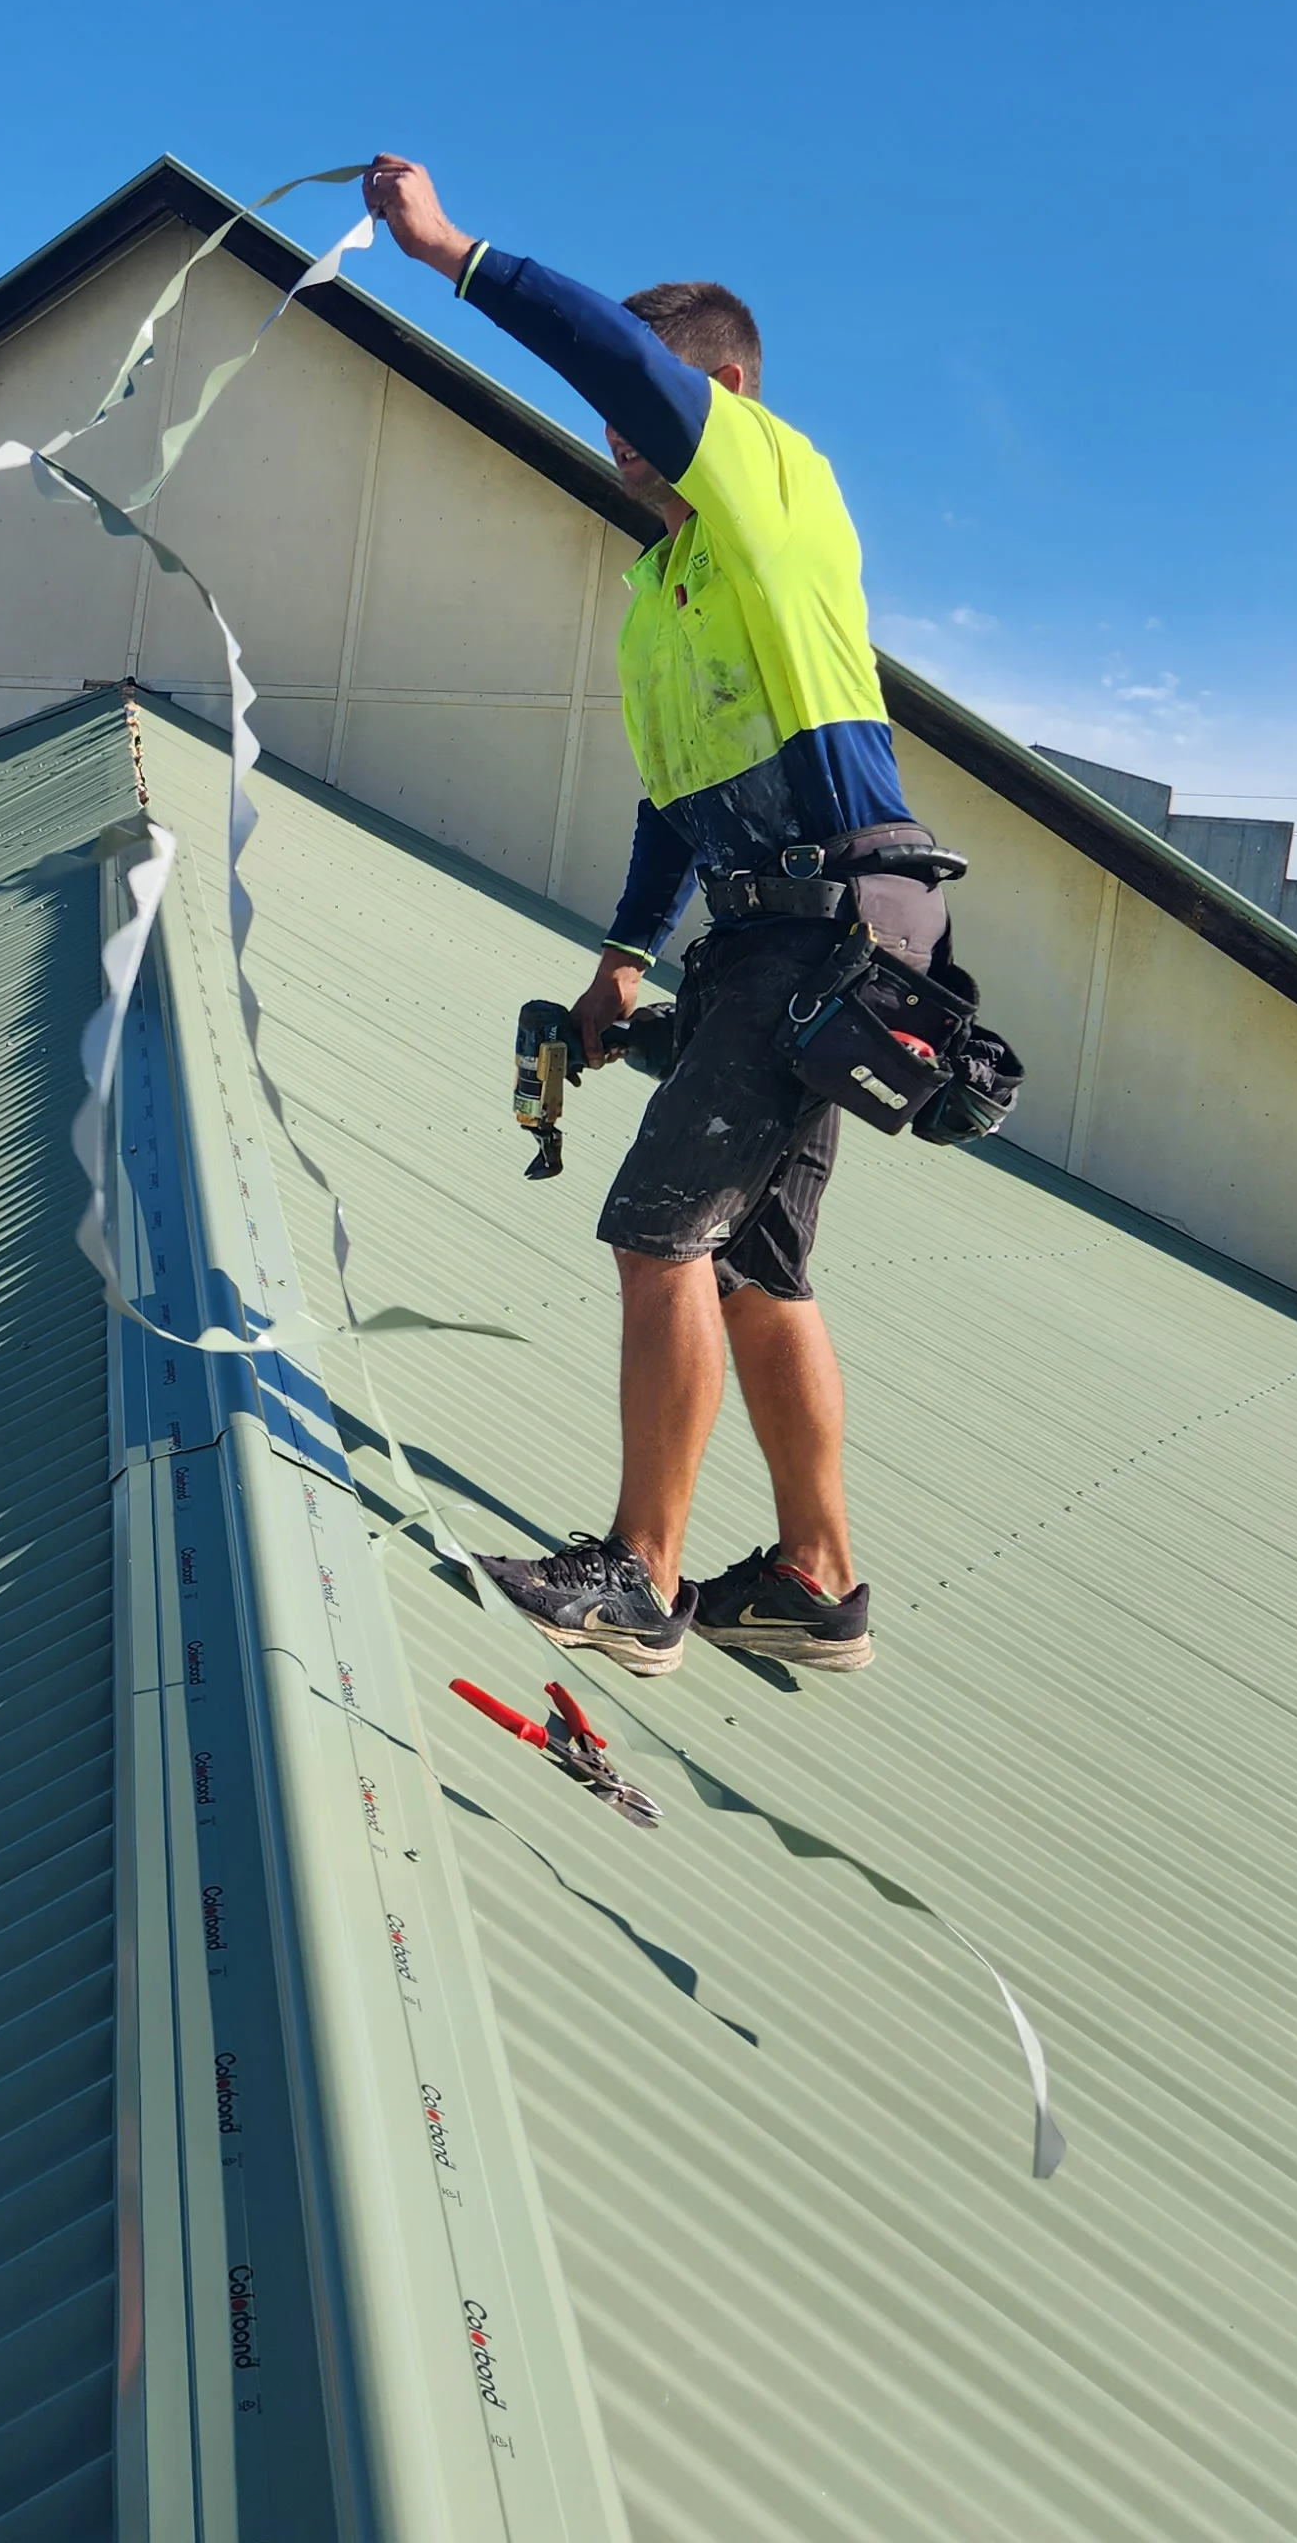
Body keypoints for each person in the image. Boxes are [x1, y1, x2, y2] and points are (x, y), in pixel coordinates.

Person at [367, 153, 958, 1678]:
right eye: (618, 421)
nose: (618, 435)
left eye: (649, 408)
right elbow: (676, 802)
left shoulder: (775, 481)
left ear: (728, 392)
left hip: (828, 920)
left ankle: (642, 1578)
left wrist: (450, 252)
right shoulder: (671, 587)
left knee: (657, 1233)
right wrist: (623, 962)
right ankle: (816, 1585)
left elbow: (617, 360)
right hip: (782, 930)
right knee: (754, 1268)